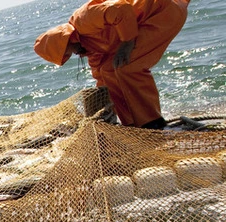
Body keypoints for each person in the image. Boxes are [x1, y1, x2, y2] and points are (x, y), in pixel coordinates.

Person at [34, 0, 189, 129]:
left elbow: (120, 9)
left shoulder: (83, 19)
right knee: (108, 70)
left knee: (128, 67)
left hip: (162, 11)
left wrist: (127, 42)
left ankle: (152, 123)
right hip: (150, 20)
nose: (71, 55)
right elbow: (101, 74)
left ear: (63, 41)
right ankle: (131, 123)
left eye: (66, 52)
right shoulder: (86, 47)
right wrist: (99, 107)